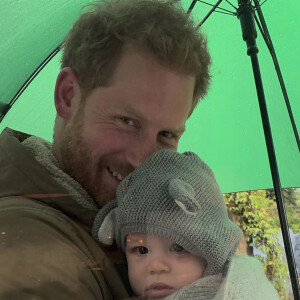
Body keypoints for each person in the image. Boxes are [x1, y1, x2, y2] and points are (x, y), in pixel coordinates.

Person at [0, 0, 211, 298]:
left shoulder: (126, 231)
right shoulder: (30, 252)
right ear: (68, 96)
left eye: (166, 135)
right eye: (127, 121)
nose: (141, 161)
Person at [93, 150, 280, 299]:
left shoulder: (237, 293)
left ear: (214, 249)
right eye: (141, 250)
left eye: (178, 247)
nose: (156, 266)